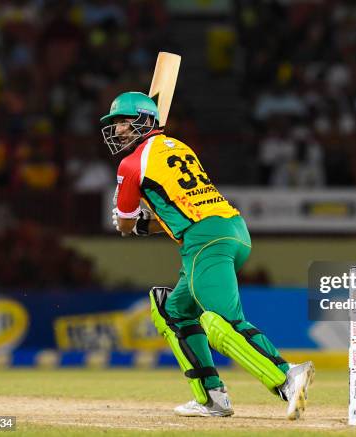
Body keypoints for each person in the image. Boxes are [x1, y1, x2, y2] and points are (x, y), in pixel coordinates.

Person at [101, 91, 314, 418]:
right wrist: (148, 221)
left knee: (220, 323)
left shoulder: (130, 164)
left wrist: (132, 220)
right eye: (114, 124)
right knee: (172, 310)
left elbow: (127, 226)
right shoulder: (180, 147)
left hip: (204, 241)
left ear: (145, 121)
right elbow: (179, 210)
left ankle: (287, 376)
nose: (117, 131)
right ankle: (211, 397)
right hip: (232, 230)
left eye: (124, 123)